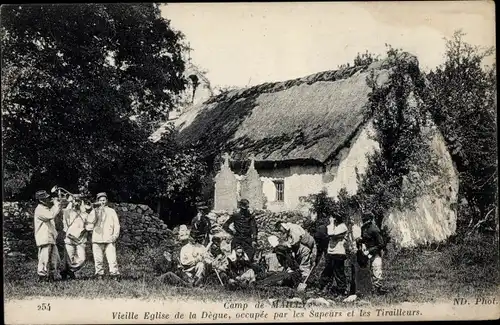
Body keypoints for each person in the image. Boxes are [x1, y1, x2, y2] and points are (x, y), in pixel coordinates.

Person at [86, 192, 121, 279]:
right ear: (97, 201)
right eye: (100, 200)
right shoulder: (94, 211)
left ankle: (114, 274)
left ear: (107, 201)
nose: (102, 202)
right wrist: (95, 211)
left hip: (109, 238)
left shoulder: (111, 211)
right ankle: (99, 275)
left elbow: (117, 225)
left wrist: (115, 236)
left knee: (112, 259)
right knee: (98, 259)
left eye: (104, 200)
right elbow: (90, 223)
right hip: (97, 238)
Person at [33, 190, 62, 282]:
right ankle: (42, 276)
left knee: (54, 258)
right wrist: (56, 204)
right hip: (44, 237)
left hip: (50, 237)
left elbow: (52, 214)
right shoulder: (39, 209)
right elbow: (51, 215)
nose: (48, 199)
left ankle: (51, 275)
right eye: (46, 198)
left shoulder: (45, 209)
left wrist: (56, 205)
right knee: (44, 258)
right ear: (41, 200)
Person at [357, 211, 387, 295]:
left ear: (370, 219)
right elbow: (366, 239)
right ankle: (368, 288)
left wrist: (370, 250)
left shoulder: (374, 229)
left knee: (376, 269)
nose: (364, 221)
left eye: (366, 219)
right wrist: (360, 240)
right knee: (367, 270)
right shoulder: (363, 228)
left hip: (375, 252)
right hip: (366, 253)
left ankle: (378, 289)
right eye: (363, 219)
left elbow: (381, 244)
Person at [319, 216, 349, 296]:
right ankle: (324, 287)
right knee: (327, 271)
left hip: (339, 252)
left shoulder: (342, 227)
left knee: (339, 273)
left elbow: (331, 234)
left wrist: (331, 223)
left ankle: (342, 291)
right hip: (331, 252)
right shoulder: (334, 226)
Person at [60, 196, 89, 280]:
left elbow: (89, 224)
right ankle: (65, 272)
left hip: (81, 239)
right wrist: (70, 201)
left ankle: (69, 270)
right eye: (75, 201)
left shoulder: (84, 213)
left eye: (78, 201)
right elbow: (64, 221)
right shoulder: (67, 212)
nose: (76, 203)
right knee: (68, 259)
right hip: (70, 238)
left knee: (82, 259)